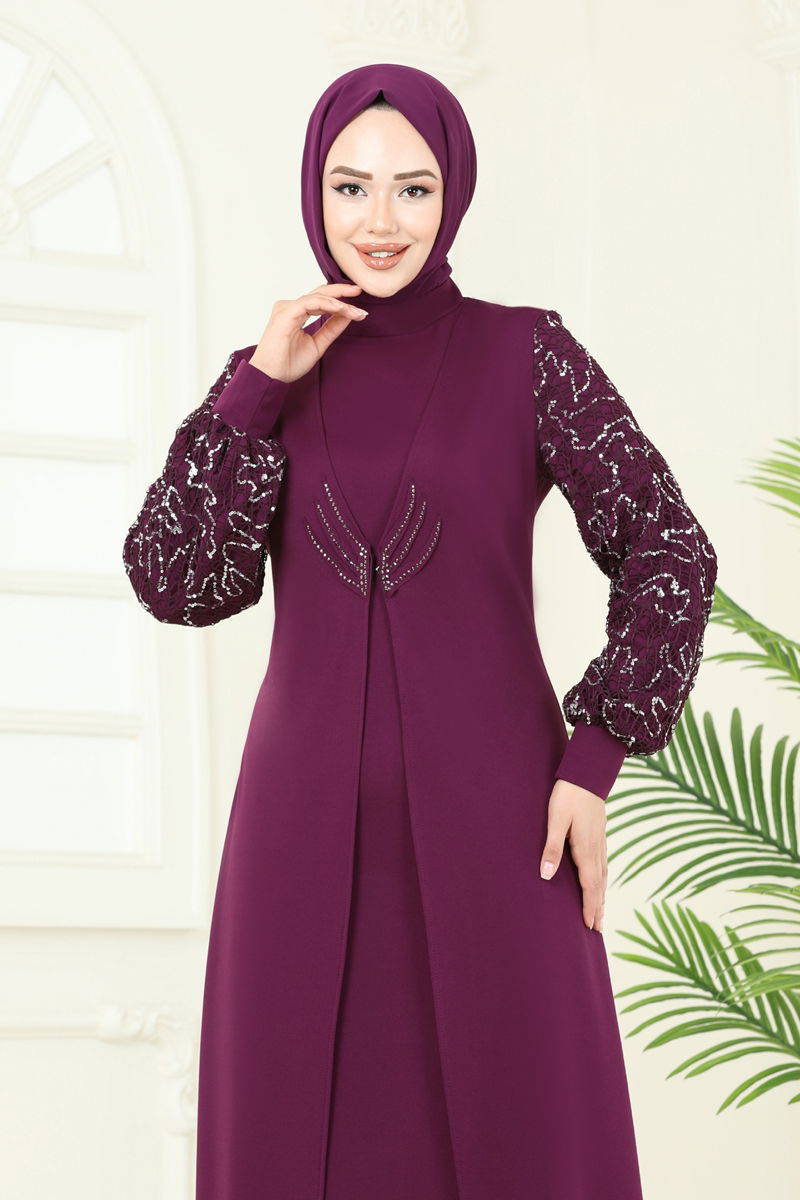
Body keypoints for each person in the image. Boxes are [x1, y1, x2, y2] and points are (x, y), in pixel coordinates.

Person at [122, 62, 718, 1200]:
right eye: (350, 188)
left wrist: (593, 763)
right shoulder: (267, 375)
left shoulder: (528, 355)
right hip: (296, 829)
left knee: (525, 1132)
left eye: (413, 188)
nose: (380, 221)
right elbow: (177, 583)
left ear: (454, 196)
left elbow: (669, 551)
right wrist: (257, 388)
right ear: (315, 193)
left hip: (506, 825)